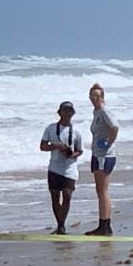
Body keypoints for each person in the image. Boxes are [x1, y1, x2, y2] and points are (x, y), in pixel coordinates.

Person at [40, 100, 84, 235]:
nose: (67, 113)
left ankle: (61, 225)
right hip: (54, 167)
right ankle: (60, 225)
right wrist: (56, 146)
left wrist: (72, 154)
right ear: (59, 113)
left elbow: (80, 150)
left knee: (67, 196)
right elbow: (42, 146)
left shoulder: (76, 131)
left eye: (70, 111)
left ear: (73, 113)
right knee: (55, 197)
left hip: (70, 168)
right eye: (65, 110)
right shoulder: (51, 128)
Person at [85, 83, 120, 236]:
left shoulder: (105, 111)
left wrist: (108, 142)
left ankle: (104, 226)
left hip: (104, 156)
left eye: (97, 96)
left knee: (102, 190)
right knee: (100, 190)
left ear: (102, 97)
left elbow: (115, 127)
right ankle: (104, 223)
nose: (94, 99)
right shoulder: (96, 111)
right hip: (97, 153)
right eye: (92, 96)